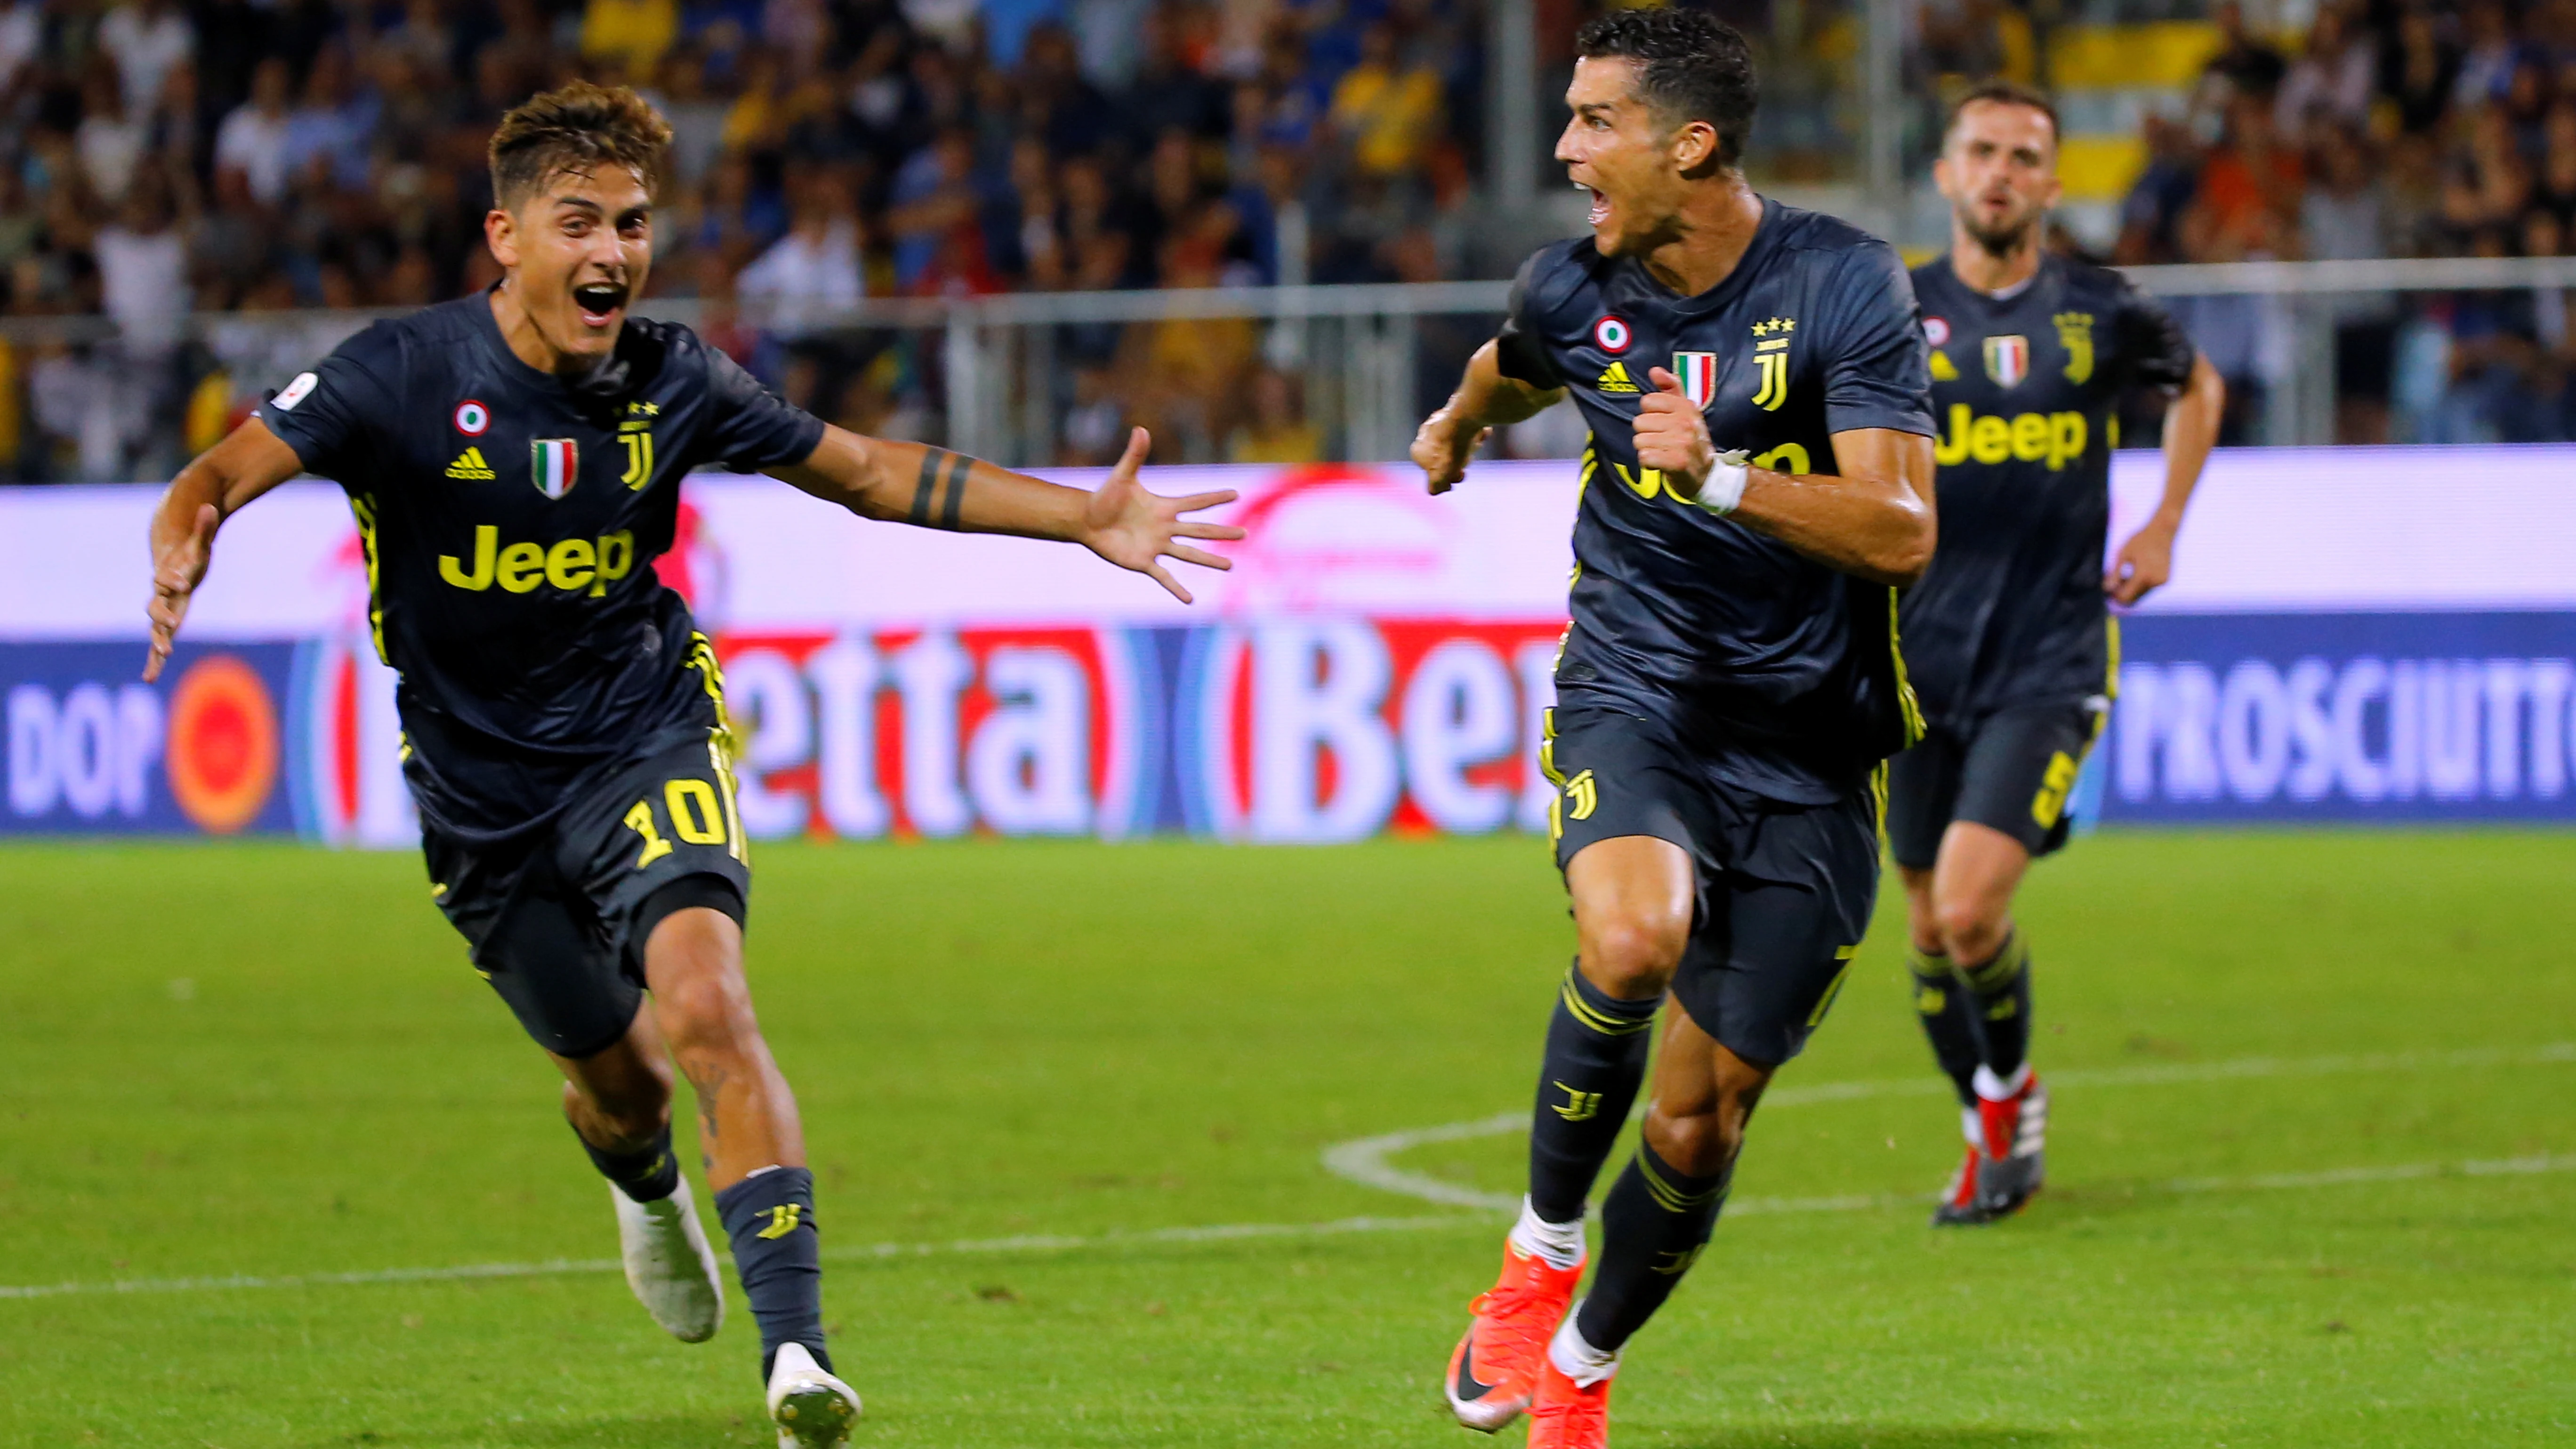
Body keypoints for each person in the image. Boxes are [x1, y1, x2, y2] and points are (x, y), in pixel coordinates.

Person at [140, 81, 1240, 1449]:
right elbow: (222, 471)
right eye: (579, 222)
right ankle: (648, 1187)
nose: (612, 252)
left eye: (635, 224)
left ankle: (798, 1358)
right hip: (480, 795)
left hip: (644, 731)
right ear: (507, 237)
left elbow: (872, 473)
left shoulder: (676, 375)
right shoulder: (401, 373)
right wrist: (187, 534)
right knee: (623, 1085)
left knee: (709, 1005)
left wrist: (1082, 517)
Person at [1410, 11, 1935, 1446]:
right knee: (1630, 936)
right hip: (1638, 686)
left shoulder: (1842, 283)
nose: (1568, 148)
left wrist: (1721, 483)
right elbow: (1513, 362)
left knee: (1701, 1123)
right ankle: (1538, 1247)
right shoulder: (1573, 284)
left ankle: (1580, 1359)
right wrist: (1456, 425)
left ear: (1688, 143)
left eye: (1594, 121)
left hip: (1816, 744)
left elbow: (1901, 532)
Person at [1897, 82, 2223, 1226]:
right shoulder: (1889, 308)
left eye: (2024, 156)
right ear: (1946, 173)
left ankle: (2008, 1101)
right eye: (1980, 152)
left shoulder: (2098, 309)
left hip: (2048, 658)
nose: (2000, 172)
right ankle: (1993, 1104)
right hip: (1909, 668)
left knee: (1975, 915)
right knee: (1929, 931)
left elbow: (2198, 385)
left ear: (2052, 180)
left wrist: (2165, 523)